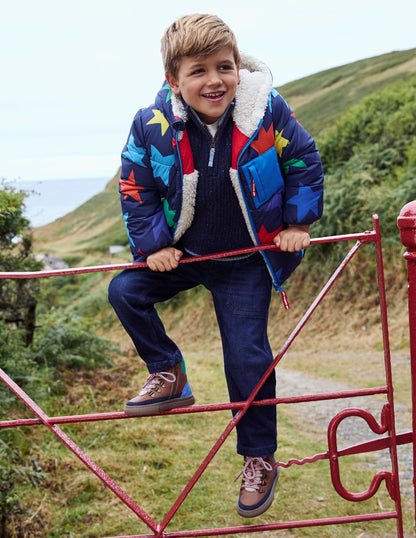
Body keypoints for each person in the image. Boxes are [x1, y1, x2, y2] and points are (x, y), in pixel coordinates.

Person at [108, 13, 324, 518]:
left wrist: (296, 222)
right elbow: (134, 187)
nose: (214, 80)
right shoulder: (151, 122)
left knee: (247, 354)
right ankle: (168, 373)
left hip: (245, 259)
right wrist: (154, 246)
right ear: (174, 81)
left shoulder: (266, 110)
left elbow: (305, 160)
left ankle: (258, 458)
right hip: (184, 253)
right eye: (198, 70)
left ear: (237, 67)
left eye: (224, 67)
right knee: (124, 292)